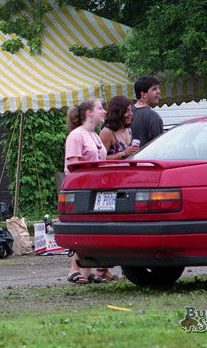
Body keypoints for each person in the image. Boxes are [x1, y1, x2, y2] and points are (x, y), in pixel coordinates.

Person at [64, 99, 110, 284]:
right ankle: (74, 270)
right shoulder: (76, 136)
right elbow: (73, 165)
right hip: (80, 190)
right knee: (80, 230)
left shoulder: (95, 136)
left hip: (96, 189)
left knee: (93, 230)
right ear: (89, 113)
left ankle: (87, 270)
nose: (104, 112)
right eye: (100, 108)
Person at [100, 95, 139, 161]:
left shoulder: (128, 130)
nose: (131, 114)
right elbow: (101, 158)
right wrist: (123, 154)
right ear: (118, 113)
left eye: (131, 110)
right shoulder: (107, 132)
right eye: (127, 111)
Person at [130, 75, 164, 147]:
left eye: (158, 88)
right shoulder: (153, 117)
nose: (158, 92)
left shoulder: (128, 113)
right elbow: (159, 146)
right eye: (154, 89)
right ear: (143, 94)